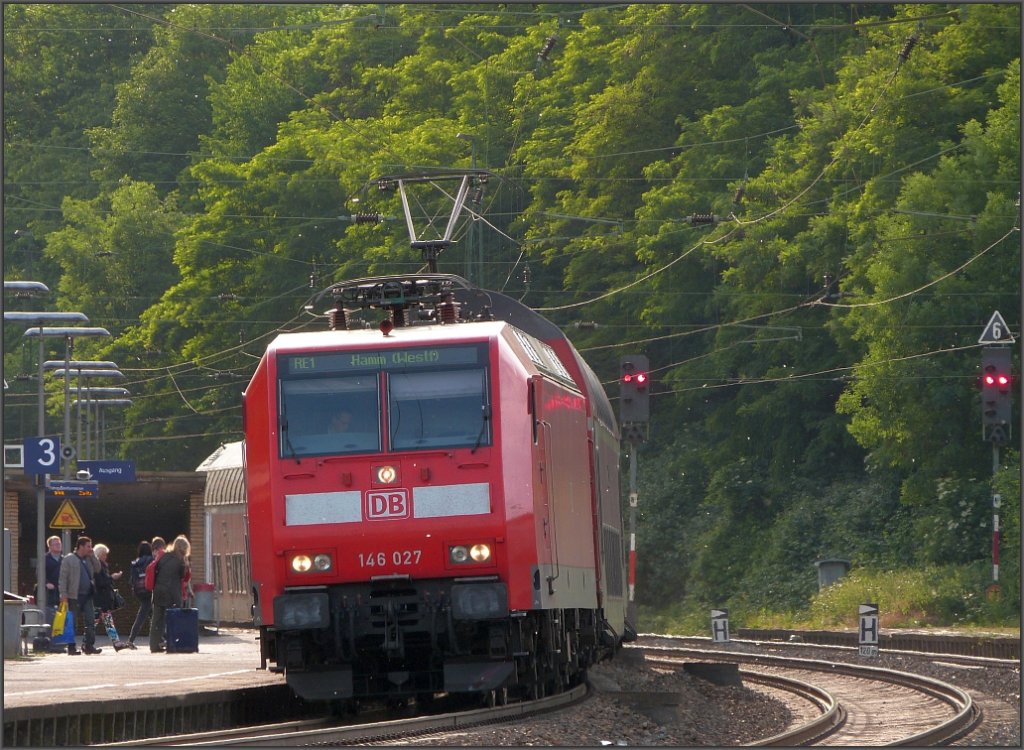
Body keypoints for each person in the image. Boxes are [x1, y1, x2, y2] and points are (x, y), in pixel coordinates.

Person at [58, 536, 101, 655]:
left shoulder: (89, 559)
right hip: (73, 596)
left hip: (87, 595)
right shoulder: (69, 559)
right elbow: (63, 578)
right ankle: (71, 647)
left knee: (90, 621)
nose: (90, 548)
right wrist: (63, 594)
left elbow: (98, 569)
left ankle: (89, 645)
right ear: (81, 546)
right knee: (72, 622)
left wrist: (93, 556)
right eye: (88, 546)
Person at [150, 535, 190, 653]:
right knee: (173, 619)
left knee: (157, 619)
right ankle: (172, 643)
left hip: (158, 591)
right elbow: (183, 577)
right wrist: (186, 565)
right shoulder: (180, 560)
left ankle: (154, 645)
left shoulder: (164, 555)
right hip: (171, 593)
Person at [92, 543, 128, 651]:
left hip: (102, 599)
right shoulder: (97, 566)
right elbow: (100, 582)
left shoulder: (102, 565)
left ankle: (116, 642)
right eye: (104, 554)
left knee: (105, 621)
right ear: (99, 554)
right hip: (100, 598)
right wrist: (112, 577)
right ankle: (86, 642)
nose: (106, 557)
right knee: (95, 622)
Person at [126, 540, 154, 650]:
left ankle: (162, 638)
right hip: (149, 590)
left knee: (151, 614)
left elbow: (131, 580)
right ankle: (130, 640)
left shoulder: (135, 563)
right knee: (143, 615)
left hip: (139, 592)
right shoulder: (151, 561)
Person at [43, 535, 63, 624]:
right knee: (50, 613)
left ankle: (112, 635)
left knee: (61, 613)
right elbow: (39, 573)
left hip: (61, 590)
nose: (58, 545)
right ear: (49, 546)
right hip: (50, 591)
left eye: (59, 544)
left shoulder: (64, 559)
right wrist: (46, 583)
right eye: (55, 544)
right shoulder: (44, 559)